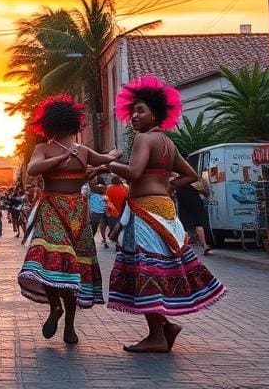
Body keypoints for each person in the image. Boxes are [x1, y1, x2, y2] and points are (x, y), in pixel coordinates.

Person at [107, 76, 225, 353]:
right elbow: (191, 175)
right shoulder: (166, 142)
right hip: (165, 209)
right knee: (156, 267)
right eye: (133, 111)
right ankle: (165, 327)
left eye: (141, 111)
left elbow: (134, 173)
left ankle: (156, 337)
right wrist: (169, 185)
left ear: (155, 114)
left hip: (146, 210)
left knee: (144, 268)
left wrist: (110, 165)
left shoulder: (144, 139)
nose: (134, 116)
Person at [17, 95, 121, 346]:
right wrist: (60, 159)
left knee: (73, 268)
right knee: (53, 262)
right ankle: (56, 308)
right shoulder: (43, 149)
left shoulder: (83, 150)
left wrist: (113, 154)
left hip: (77, 211)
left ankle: (70, 326)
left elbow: (106, 160)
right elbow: (33, 169)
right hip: (52, 208)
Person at [176, 178, 212, 254]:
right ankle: (204, 246)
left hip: (184, 207)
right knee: (199, 225)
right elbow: (206, 193)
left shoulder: (177, 182)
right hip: (196, 205)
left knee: (184, 227)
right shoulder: (194, 181)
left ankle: (183, 249)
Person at [88, 177, 109, 248]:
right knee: (95, 227)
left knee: (96, 227)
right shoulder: (89, 192)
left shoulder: (94, 193)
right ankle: (92, 241)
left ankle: (92, 241)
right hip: (97, 212)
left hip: (99, 212)